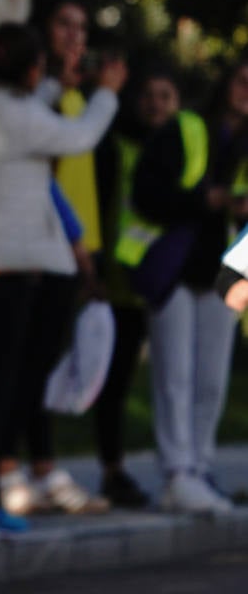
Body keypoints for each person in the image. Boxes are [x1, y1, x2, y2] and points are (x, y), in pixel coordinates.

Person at [0, 21, 122, 539]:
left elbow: (29, 103)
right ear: (31, 68)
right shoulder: (18, 118)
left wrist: (59, 83)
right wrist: (105, 93)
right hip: (0, 274)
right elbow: (77, 135)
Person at [0, 0, 121, 518]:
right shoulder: (37, 100)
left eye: (82, 28)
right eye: (63, 24)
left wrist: (88, 248)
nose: (75, 37)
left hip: (70, 248)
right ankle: (8, 467)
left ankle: (41, 467)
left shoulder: (69, 97)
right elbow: (40, 178)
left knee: (42, 363)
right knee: (22, 361)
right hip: (40, 245)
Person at [116, 57, 248, 514]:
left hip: (230, 270)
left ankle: (201, 467)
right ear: (226, 83)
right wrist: (202, 200)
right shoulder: (187, 128)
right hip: (174, 266)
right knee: (174, 375)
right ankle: (178, 473)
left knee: (211, 378)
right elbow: (147, 194)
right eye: (242, 80)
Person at [90, 69, 183, 508]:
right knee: (115, 380)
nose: (156, 104)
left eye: (165, 95)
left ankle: (184, 468)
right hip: (123, 283)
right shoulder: (118, 148)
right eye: (148, 94)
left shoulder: (188, 153)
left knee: (175, 380)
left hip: (172, 283)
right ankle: (112, 468)